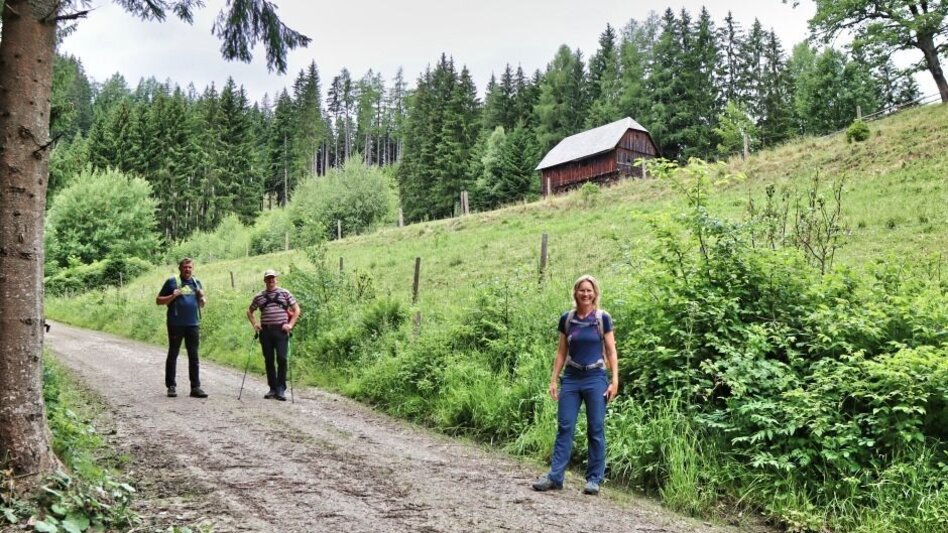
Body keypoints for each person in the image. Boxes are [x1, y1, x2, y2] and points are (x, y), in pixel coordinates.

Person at [532, 275, 619, 495]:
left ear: (595, 293)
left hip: (595, 378)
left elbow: (611, 351)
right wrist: (554, 379)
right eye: (582, 290)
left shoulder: (602, 318)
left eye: (589, 290)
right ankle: (555, 477)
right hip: (571, 377)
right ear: (576, 292)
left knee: (596, 429)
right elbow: (561, 351)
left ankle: (594, 479)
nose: (586, 294)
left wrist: (614, 381)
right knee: (565, 427)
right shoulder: (567, 319)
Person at [156, 257, 208, 398]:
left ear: (193, 268)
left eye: (190, 267)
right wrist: (173, 296)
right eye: (185, 267)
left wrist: (202, 298)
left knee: (194, 355)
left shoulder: (196, 283)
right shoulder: (172, 282)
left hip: (193, 324)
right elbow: (158, 301)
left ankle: (195, 387)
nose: (187, 269)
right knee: (173, 353)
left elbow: (202, 304)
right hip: (175, 324)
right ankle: (171, 386)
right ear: (180, 268)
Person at [246, 269, 301, 401]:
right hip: (265, 332)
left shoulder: (285, 293)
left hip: (281, 331)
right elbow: (249, 311)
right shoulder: (259, 296)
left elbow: (296, 309)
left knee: (282, 359)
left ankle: (281, 389)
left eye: (273, 278)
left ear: (276, 279)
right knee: (269, 360)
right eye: (268, 278)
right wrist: (255, 324)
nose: (271, 280)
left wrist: (290, 325)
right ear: (265, 280)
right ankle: (273, 388)